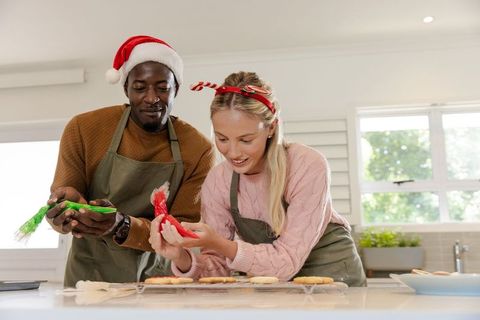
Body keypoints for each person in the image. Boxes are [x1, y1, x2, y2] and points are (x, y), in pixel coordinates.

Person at [148, 71, 366, 287]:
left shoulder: (306, 165)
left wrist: (219, 242)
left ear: (271, 127)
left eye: (246, 139)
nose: (232, 152)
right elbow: (216, 270)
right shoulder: (218, 181)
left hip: (337, 283)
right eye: (222, 138)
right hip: (277, 288)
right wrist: (181, 257)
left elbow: (286, 262)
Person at [45, 35, 215, 287]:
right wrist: (64, 215)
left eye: (162, 87)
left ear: (175, 89)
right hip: (91, 276)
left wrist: (121, 225)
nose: (151, 97)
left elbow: (182, 233)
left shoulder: (198, 148)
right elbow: (65, 205)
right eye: (139, 87)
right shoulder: (84, 128)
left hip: (159, 278)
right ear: (126, 88)